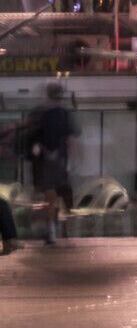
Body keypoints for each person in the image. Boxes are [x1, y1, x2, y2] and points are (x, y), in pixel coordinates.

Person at [23, 83, 78, 245]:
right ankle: (63, 231)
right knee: (61, 197)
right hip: (61, 159)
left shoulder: (41, 113)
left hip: (45, 159)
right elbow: (71, 138)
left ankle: (52, 232)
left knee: (50, 198)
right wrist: (72, 163)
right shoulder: (64, 113)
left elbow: (32, 134)